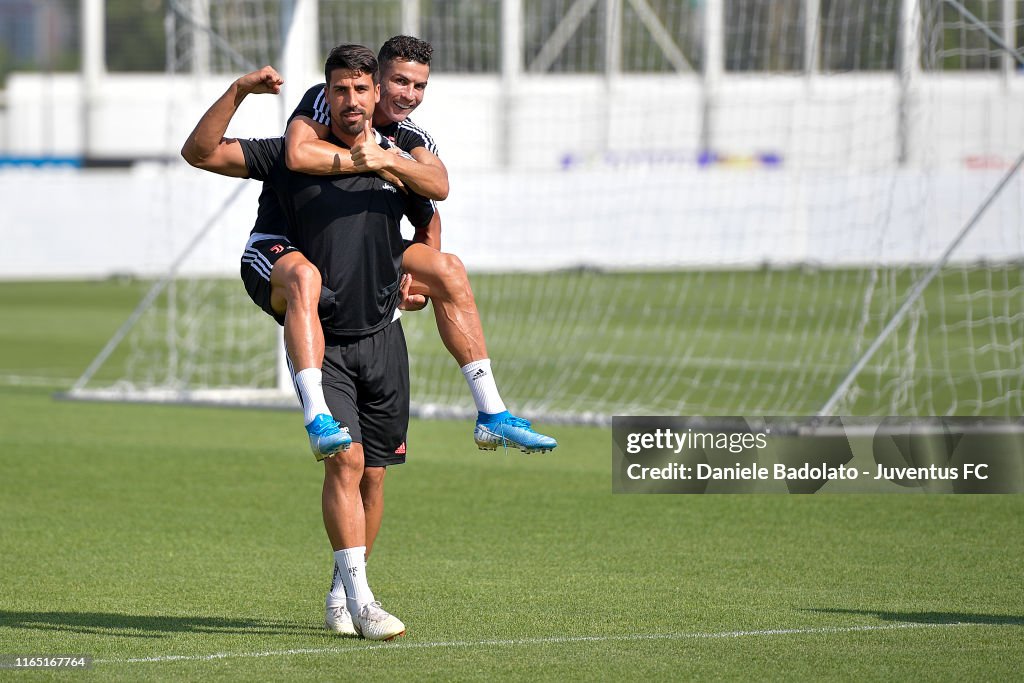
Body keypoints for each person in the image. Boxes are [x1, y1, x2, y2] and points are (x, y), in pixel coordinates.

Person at [181, 48, 430, 641]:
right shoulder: (292, 155)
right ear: (327, 93)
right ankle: (366, 603)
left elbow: (429, 214)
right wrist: (240, 90)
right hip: (321, 334)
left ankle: (343, 591)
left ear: (376, 96)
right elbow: (200, 153)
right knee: (342, 461)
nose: (352, 100)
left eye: (361, 90)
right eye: (340, 90)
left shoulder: (394, 159)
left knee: (374, 476)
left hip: (380, 332)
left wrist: (411, 282)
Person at [242, 36, 557, 460]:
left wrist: (415, 279)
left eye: (419, 86)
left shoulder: (407, 136)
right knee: (305, 279)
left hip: (362, 254)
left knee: (448, 270)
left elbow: (437, 191)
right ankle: (318, 413)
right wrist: (369, 158)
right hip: (296, 245)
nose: (408, 95)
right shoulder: (327, 101)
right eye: (399, 81)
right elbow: (297, 155)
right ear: (375, 82)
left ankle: (491, 413)